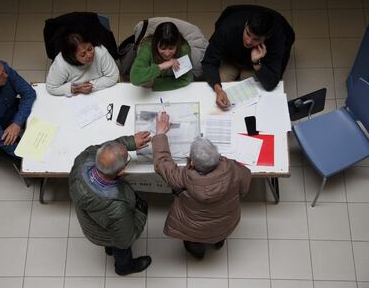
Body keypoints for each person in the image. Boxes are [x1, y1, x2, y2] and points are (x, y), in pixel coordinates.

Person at [152, 112, 251, 259]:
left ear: (192, 162)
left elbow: (161, 163)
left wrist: (160, 134)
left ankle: (197, 253)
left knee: (194, 241)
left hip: (193, 229)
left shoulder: (181, 178)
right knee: (218, 233)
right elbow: (244, 189)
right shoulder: (234, 169)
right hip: (225, 223)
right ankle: (218, 242)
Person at [69, 131, 152, 276]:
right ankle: (124, 268)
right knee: (121, 248)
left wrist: (130, 142)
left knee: (112, 238)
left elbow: (106, 148)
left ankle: (108, 249)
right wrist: (141, 212)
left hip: (93, 223)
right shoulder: (116, 208)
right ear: (121, 171)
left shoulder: (82, 160)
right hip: (105, 233)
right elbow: (126, 239)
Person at [202, 5, 295, 110]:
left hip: (259, 62)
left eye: (256, 39)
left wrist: (256, 63)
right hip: (231, 56)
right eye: (248, 33)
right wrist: (218, 89)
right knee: (216, 88)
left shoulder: (277, 39)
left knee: (255, 100)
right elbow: (208, 61)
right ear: (246, 24)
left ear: (266, 37)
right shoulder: (228, 28)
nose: (248, 41)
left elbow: (271, 83)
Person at [46, 31, 119, 97]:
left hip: (101, 92)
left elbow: (113, 76)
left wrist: (91, 86)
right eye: (83, 54)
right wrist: (75, 89)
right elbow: (51, 87)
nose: (89, 55)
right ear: (72, 57)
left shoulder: (100, 51)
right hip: (74, 98)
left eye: (90, 49)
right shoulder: (61, 64)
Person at [130, 22, 193, 91]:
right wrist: (162, 66)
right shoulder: (147, 47)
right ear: (155, 44)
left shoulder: (183, 49)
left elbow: (186, 79)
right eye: (162, 48)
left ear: (177, 44)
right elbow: (135, 78)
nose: (167, 54)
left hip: (172, 90)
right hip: (151, 93)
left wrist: (155, 83)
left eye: (171, 48)